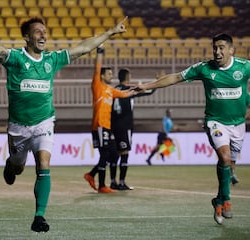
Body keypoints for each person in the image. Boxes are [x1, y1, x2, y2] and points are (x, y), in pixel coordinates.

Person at [0, 17, 128, 232]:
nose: (43, 35)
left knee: (44, 164)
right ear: (26, 37)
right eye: (38, 32)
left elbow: (83, 48)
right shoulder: (16, 58)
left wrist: (111, 32)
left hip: (44, 122)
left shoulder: (52, 59)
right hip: (18, 127)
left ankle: (39, 216)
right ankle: (11, 165)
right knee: (18, 166)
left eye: (45, 31)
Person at [132, 33, 250, 225]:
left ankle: (218, 199)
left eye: (221, 48)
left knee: (230, 168)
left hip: (238, 125)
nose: (217, 52)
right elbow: (176, 77)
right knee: (225, 158)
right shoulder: (204, 68)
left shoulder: (244, 67)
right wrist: (147, 86)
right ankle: (227, 201)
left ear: (231, 50)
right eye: (215, 48)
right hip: (215, 122)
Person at [83, 48, 135, 193]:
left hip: (107, 127)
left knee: (113, 153)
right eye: (109, 73)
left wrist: (140, 89)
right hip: (99, 125)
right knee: (105, 154)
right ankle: (101, 186)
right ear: (102, 75)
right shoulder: (97, 85)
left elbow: (125, 94)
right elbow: (97, 67)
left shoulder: (111, 90)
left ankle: (91, 175)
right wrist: (100, 53)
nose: (111, 75)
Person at [110, 68, 155, 190]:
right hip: (125, 126)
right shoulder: (129, 90)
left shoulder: (113, 89)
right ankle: (122, 182)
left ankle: (113, 181)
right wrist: (156, 82)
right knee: (124, 153)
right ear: (128, 77)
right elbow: (148, 91)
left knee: (115, 154)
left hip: (113, 125)